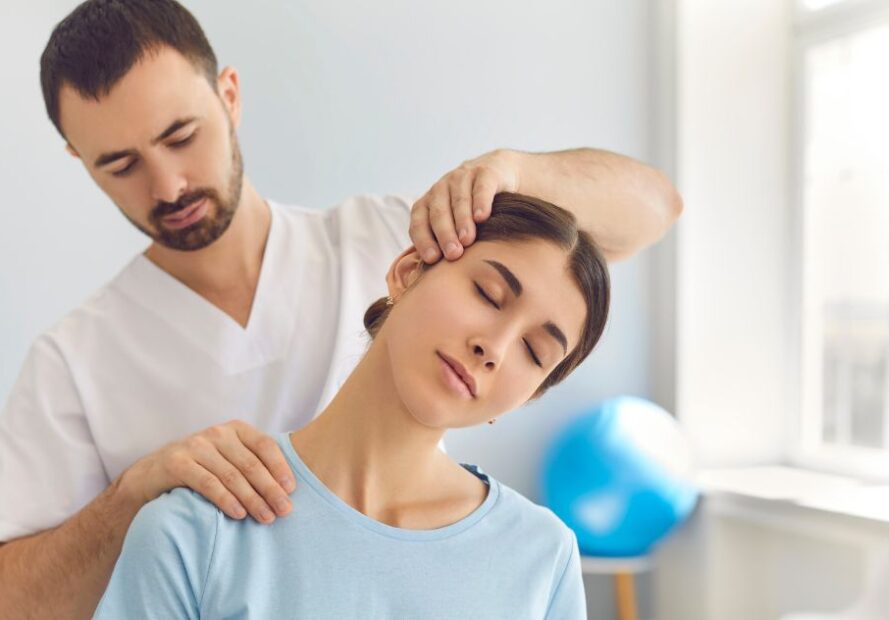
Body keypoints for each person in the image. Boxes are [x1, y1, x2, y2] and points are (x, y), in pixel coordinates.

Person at [0, 1, 682, 617]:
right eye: (121, 165)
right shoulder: (76, 368)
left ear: (228, 95)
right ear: (80, 160)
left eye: (182, 136)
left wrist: (510, 172)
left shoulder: (394, 237)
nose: (169, 183)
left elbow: (647, 214)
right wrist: (132, 498)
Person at [93, 193, 608, 619]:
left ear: (529, 394)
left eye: (534, 353)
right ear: (408, 273)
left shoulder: (542, 557)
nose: (493, 347)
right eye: (488, 294)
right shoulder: (198, 528)